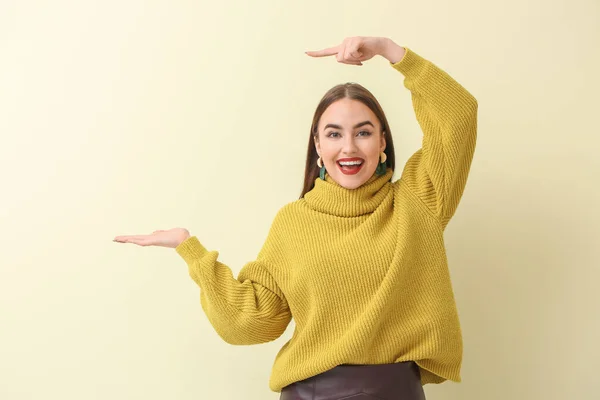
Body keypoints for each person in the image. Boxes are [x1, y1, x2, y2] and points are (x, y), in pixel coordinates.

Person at [114, 36, 478, 400]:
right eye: (333, 134)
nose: (348, 147)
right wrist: (189, 249)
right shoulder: (293, 222)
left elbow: (459, 115)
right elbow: (254, 321)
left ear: (383, 142)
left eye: (363, 132)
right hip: (310, 392)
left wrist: (389, 50)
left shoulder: (418, 201)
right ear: (318, 146)